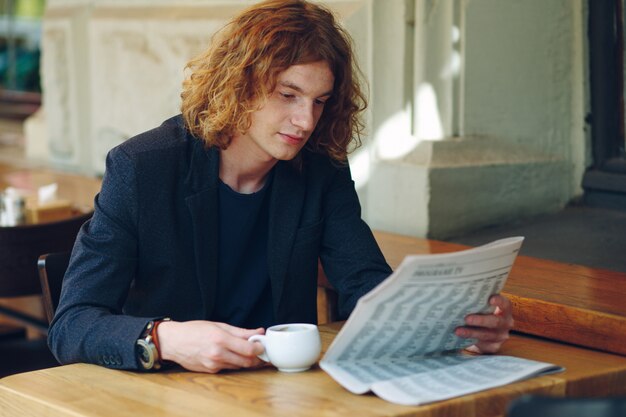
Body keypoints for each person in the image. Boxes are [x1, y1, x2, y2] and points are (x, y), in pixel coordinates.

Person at [48, 0, 513, 374]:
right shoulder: (143, 167)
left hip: (283, 395)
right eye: (287, 95)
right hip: (171, 396)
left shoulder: (319, 169)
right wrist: (164, 338)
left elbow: (363, 284)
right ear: (238, 84)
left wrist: (453, 326)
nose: (305, 120)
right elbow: (72, 323)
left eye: (319, 101)